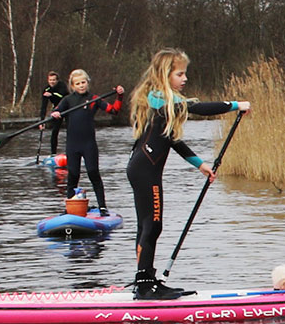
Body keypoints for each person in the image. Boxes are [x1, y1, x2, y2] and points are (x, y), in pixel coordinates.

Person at [127, 48, 249, 300]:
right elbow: (200, 108)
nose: (185, 78)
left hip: (142, 168)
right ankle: (145, 286)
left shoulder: (163, 102)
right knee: (152, 225)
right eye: (179, 74)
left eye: (185, 74)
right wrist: (236, 105)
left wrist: (200, 164)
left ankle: (145, 281)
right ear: (165, 74)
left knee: (148, 225)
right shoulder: (159, 98)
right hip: (145, 170)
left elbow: (172, 141)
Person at [50, 69, 123, 214]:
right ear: (73, 86)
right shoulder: (68, 100)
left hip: (88, 144)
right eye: (78, 84)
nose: (81, 85)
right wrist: (55, 113)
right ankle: (70, 206)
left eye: (83, 82)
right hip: (73, 145)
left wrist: (120, 96)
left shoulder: (94, 99)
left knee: (93, 172)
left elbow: (114, 110)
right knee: (73, 174)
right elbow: (56, 111)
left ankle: (102, 206)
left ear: (87, 83)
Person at [37, 71, 66, 155]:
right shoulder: (46, 90)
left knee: (71, 129)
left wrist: (52, 95)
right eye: (50, 80)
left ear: (57, 80)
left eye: (54, 80)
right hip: (57, 110)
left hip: (67, 108)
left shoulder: (62, 86)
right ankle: (53, 153)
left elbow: (62, 95)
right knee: (54, 131)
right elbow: (43, 107)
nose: (52, 82)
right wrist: (42, 121)